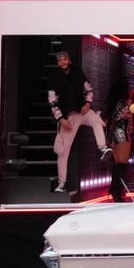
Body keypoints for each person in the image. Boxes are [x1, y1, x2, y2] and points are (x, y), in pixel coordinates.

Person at [48, 51, 112, 193]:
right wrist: (61, 119)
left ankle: (103, 147)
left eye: (65, 59)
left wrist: (88, 104)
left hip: (82, 111)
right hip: (68, 117)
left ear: (69, 60)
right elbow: (52, 101)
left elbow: (89, 89)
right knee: (63, 152)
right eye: (60, 60)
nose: (63, 62)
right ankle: (61, 182)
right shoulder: (53, 78)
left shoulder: (77, 72)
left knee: (96, 119)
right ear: (58, 63)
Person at [105, 78, 132, 202]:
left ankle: (114, 189)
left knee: (118, 164)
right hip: (122, 131)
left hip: (114, 132)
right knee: (122, 164)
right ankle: (117, 192)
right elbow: (125, 116)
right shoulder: (125, 103)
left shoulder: (113, 103)